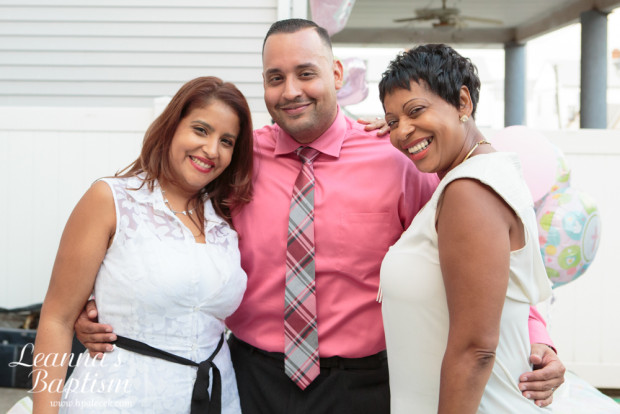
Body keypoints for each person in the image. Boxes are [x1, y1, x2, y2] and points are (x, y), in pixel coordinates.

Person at [75, 19, 565, 414]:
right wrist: (98, 303)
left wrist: (538, 338)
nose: (291, 90)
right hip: (251, 379)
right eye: (275, 78)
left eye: (306, 73)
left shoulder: (396, 158)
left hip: (365, 385)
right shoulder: (236, 157)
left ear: (336, 74)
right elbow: (167, 225)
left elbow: (475, 261)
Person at [32, 76, 253, 413]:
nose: (212, 150)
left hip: (215, 399)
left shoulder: (226, 217)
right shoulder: (111, 200)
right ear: (171, 127)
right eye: (201, 130)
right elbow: (57, 320)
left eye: (226, 141)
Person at [379, 44, 557, 413]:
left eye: (415, 111)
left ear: (463, 102)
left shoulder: (470, 190)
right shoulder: (477, 176)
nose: (402, 131)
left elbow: (475, 349)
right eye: (393, 121)